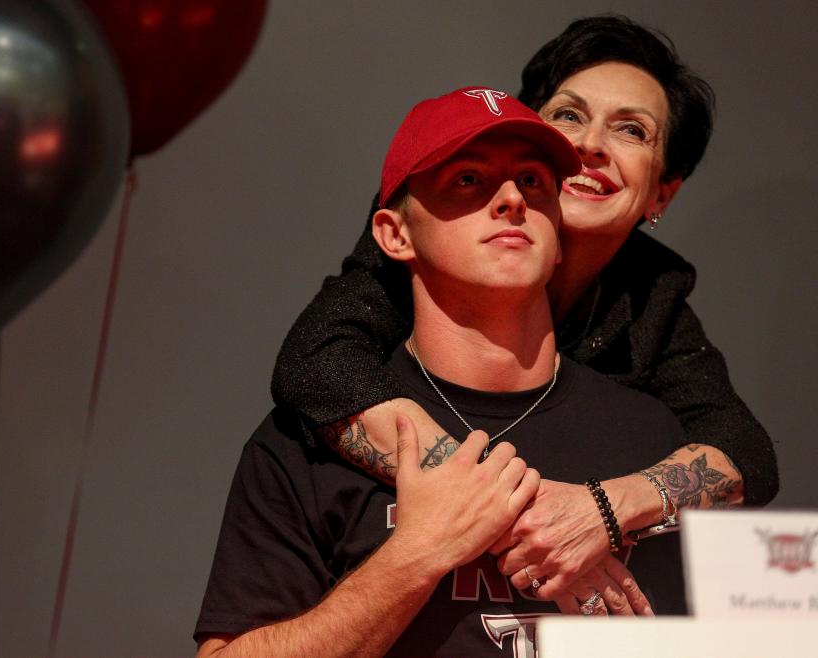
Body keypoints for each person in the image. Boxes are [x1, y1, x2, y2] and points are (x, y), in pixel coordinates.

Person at [270, 14, 779, 602]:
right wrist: (525, 517)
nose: (590, 145)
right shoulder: (438, 225)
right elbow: (315, 364)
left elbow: (745, 449)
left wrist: (602, 512)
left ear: (663, 191)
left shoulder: (648, 291)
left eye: (632, 131)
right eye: (568, 116)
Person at [195, 88, 686, 658]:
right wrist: (419, 552)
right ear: (394, 234)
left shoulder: (648, 436)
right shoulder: (312, 435)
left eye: (532, 182)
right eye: (468, 180)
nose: (510, 200)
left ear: (557, 236)